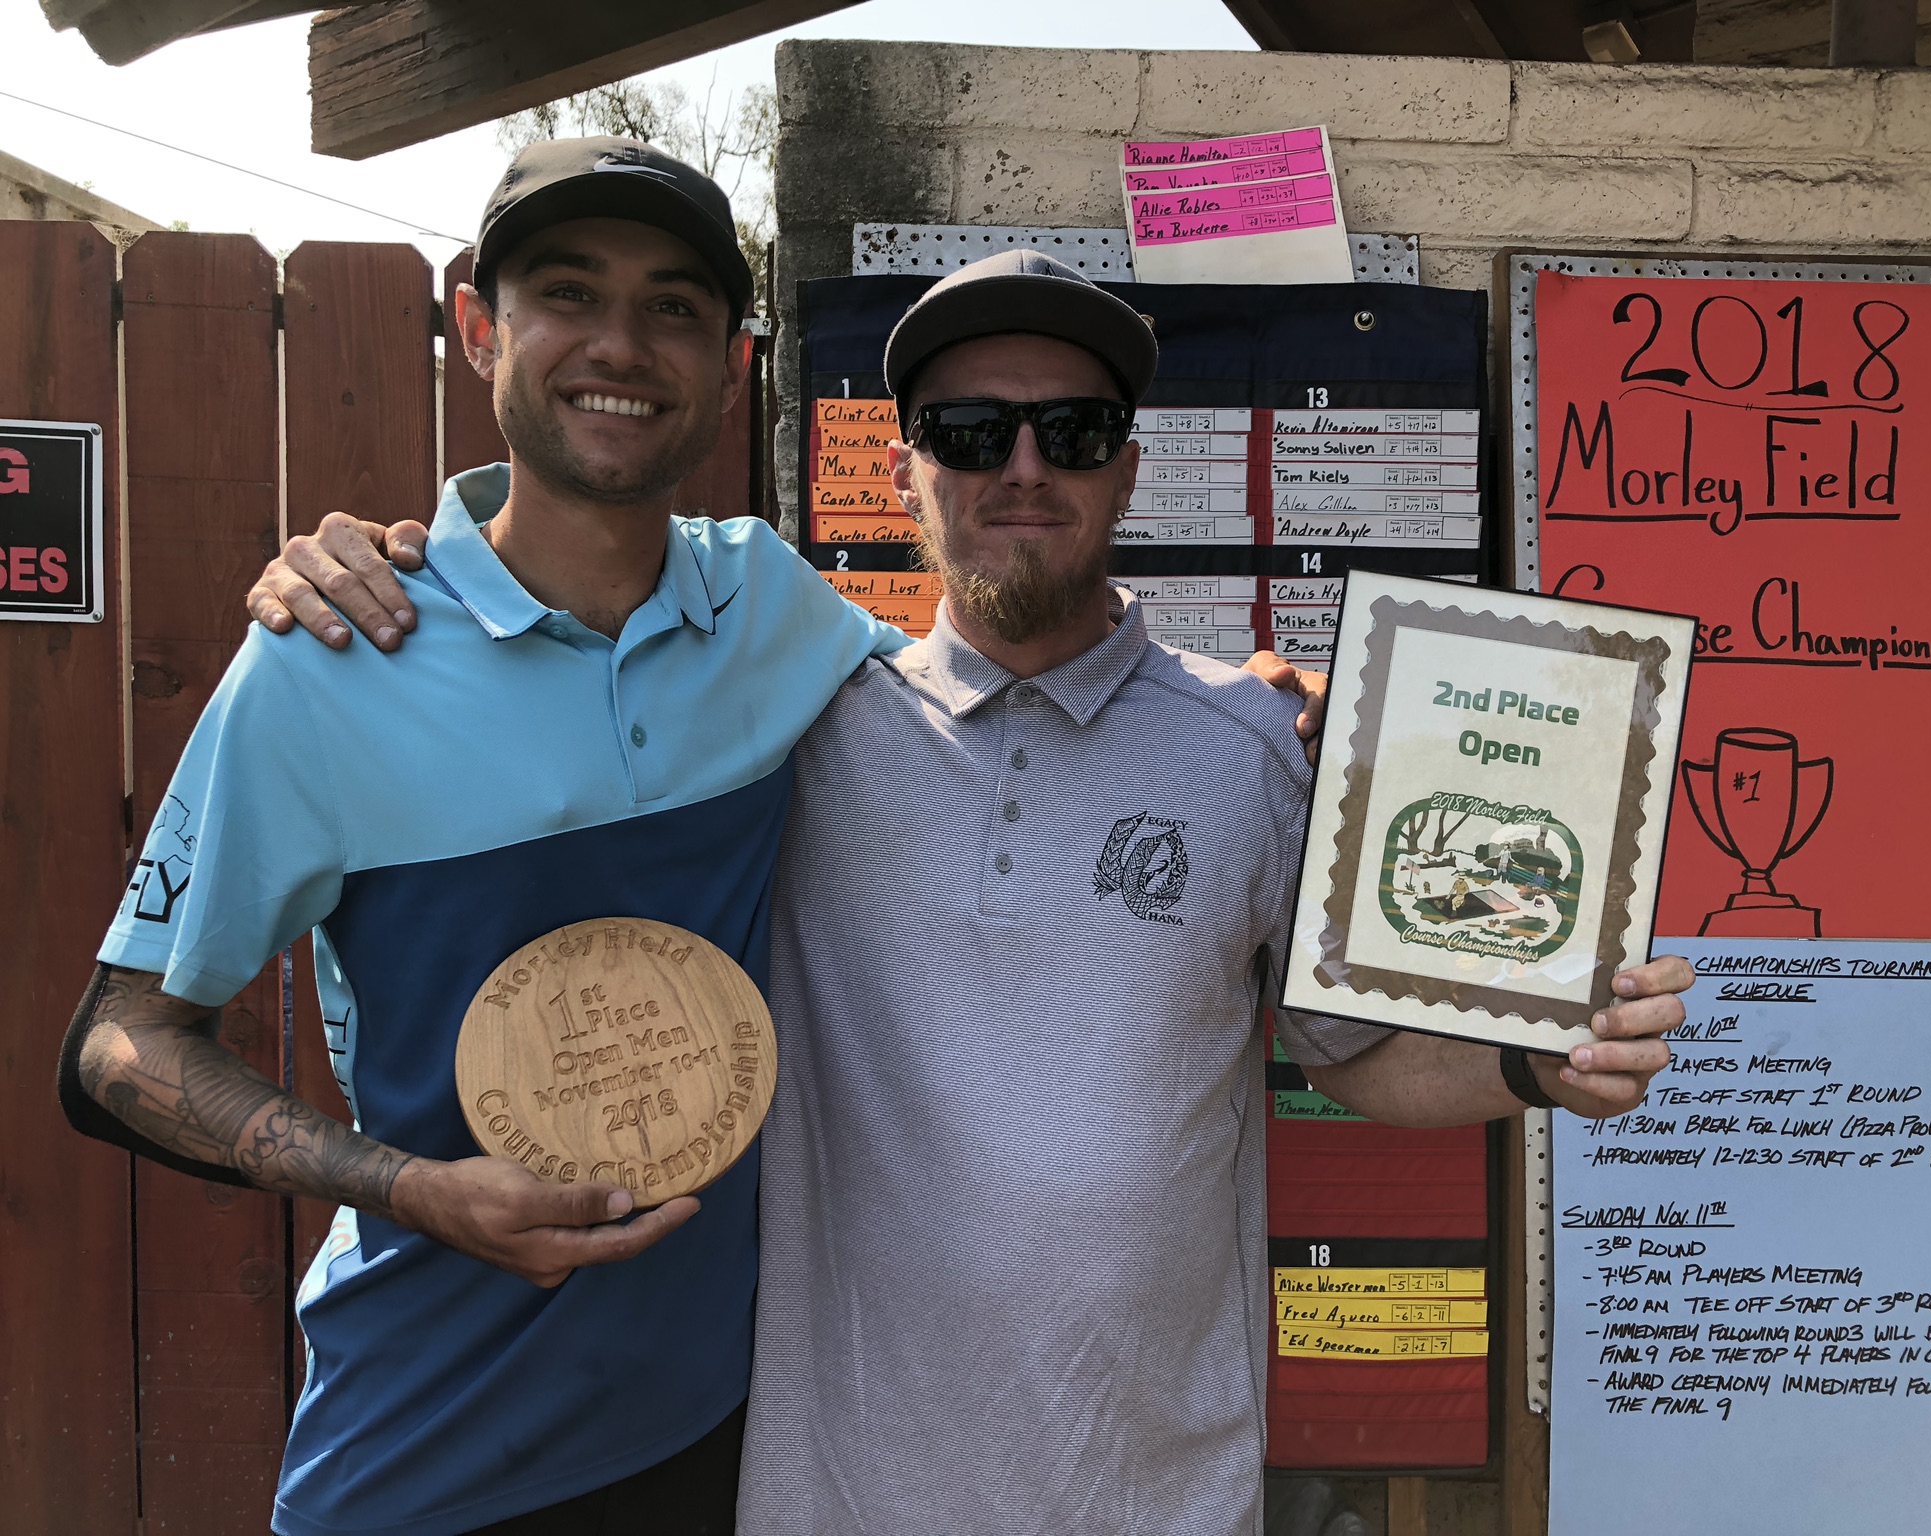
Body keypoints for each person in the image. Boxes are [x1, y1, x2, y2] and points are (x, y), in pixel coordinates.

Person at [247, 252, 1695, 1534]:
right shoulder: (794, 724)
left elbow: (1361, 1060)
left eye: (1072, 432)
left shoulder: (1256, 745)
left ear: (1129, 472)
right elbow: (582, 611)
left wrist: (1537, 1059)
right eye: (966, 430)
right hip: (840, 1492)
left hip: (1159, 1491)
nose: (1022, 468)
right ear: (904, 476)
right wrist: (397, 569)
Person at [63, 137, 922, 1536]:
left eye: (675, 309)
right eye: (568, 293)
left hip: (723, 1439)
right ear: (478, 324)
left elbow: (988, 719)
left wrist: (1239, 693)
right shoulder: (330, 655)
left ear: (732, 363)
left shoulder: (771, 607)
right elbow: (118, 1045)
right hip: (424, 1460)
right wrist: (412, 1189)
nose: (620, 346)